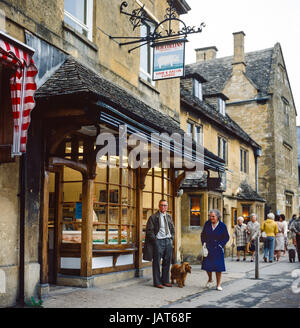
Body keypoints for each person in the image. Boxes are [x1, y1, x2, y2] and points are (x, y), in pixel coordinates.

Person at [143, 199, 175, 288]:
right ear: (159, 206)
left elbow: (172, 229)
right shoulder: (153, 217)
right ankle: (157, 282)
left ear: (167, 207)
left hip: (168, 241)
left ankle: (165, 281)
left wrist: (172, 238)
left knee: (167, 261)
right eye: (162, 205)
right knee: (156, 262)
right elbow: (149, 231)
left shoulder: (169, 217)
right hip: (159, 241)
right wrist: (155, 241)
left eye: (165, 205)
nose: (163, 207)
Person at [201, 209, 229, 291]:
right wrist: (204, 244)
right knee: (207, 266)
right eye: (210, 216)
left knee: (218, 268)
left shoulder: (222, 226)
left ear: (217, 217)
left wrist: (221, 245)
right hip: (208, 247)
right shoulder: (207, 224)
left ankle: (218, 284)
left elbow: (226, 237)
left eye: (213, 216)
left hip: (218, 248)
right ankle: (210, 279)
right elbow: (202, 235)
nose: (211, 218)